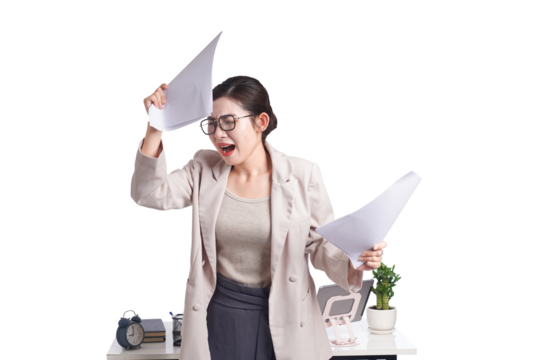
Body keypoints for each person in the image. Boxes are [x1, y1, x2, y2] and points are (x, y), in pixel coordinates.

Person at [131, 74, 387, 360]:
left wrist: (357, 259)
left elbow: (320, 247)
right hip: (220, 317)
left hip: (287, 317)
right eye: (211, 124)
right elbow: (149, 195)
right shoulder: (203, 167)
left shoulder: (304, 174)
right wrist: (156, 126)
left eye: (228, 122)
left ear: (260, 122)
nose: (217, 133)